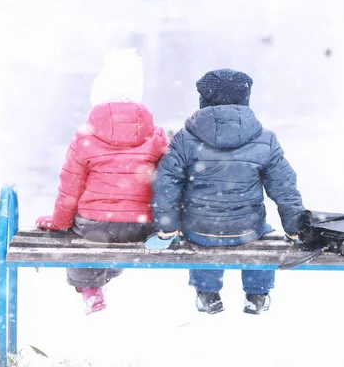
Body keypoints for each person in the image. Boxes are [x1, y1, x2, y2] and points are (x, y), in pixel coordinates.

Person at [146, 68, 305, 315]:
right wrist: (296, 228)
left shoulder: (185, 139)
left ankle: (208, 293)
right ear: (245, 101)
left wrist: (166, 228)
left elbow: (167, 184)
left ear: (203, 101)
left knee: (201, 233)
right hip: (247, 229)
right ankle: (257, 293)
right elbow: (284, 188)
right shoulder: (265, 139)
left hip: (199, 228)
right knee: (261, 232)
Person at [36, 49, 168, 315]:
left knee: (82, 234)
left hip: (93, 224)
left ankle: (90, 288)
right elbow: (167, 184)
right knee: (117, 238)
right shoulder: (155, 136)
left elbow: (70, 189)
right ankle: (106, 276)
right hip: (139, 227)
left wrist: (59, 221)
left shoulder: (84, 137)